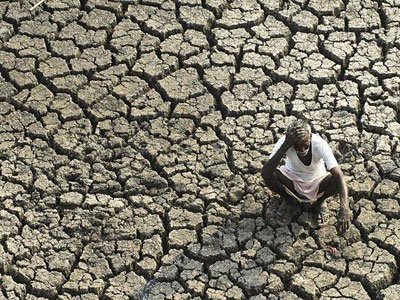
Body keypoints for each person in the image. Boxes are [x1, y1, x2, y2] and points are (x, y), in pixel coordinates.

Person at [261, 119, 352, 231]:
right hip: (291, 181)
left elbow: (339, 175)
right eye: (297, 146)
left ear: (310, 137)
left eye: (305, 145)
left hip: (317, 182)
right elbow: (266, 172)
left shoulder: (319, 144)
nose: (302, 150)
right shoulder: (285, 143)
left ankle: (319, 202)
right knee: (271, 174)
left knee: (336, 180)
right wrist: (286, 145)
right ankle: (289, 199)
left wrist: (344, 207)